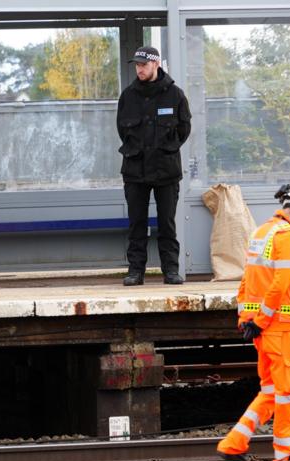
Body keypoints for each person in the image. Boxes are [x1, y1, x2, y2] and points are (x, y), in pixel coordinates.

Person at [217, 182, 290, 461]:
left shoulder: (262, 232)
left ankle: (233, 443)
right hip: (282, 326)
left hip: (262, 329)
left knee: (270, 391)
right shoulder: (288, 237)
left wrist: (247, 318)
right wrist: (263, 319)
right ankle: (285, 452)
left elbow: (247, 280)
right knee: (289, 392)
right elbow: (281, 283)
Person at [116, 46, 192, 286]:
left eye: (144, 65)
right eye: (137, 65)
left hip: (166, 170)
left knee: (166, 223)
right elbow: (122, 130)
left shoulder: (175, 95)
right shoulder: (128, 96)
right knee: (136, 223)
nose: (139, 69)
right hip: (135, 170)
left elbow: (184, 129)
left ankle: (170, 270)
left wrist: (165, 150)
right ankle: (135, 271)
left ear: (156, 64)